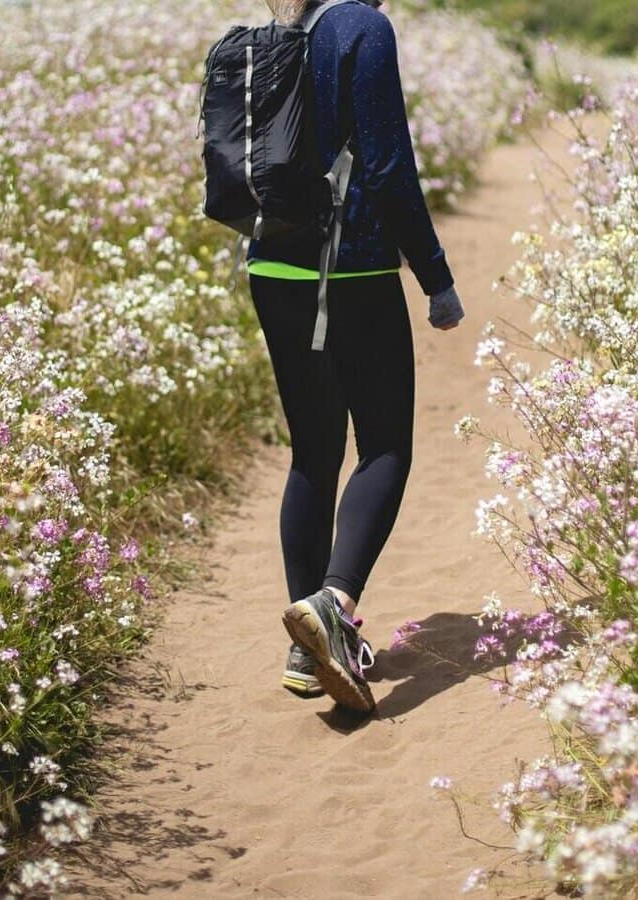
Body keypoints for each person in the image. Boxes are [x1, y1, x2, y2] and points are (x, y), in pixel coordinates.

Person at [252, 0, 464, 712]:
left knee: (312, 453)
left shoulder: (278, 32)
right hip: (350, 268)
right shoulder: (363, 28)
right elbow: (388, 163)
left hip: (273, 267)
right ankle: (334, 606)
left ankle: (306, 648)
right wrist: (435, 276)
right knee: (384, 447)